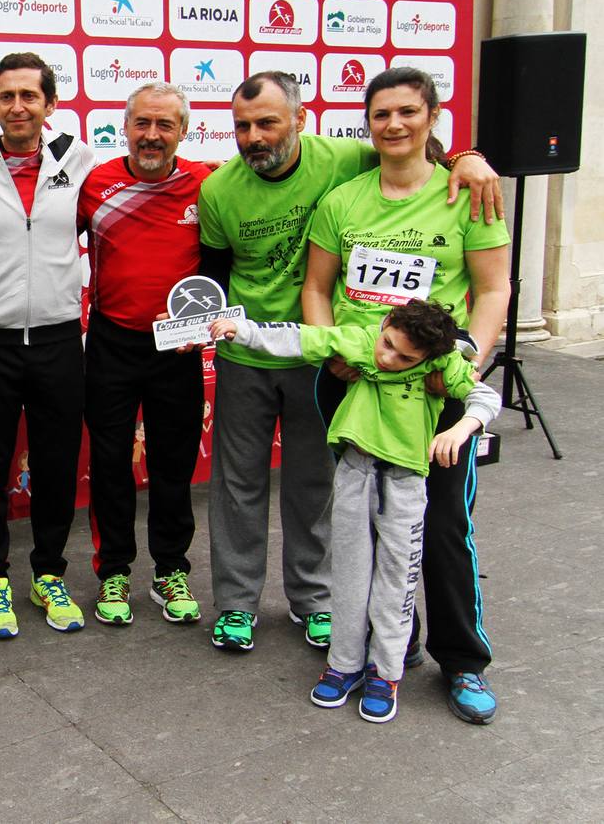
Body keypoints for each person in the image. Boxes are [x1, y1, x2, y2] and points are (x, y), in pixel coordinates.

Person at [196, 71, 503, 654]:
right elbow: (218, 274)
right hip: (266, 353)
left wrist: (472, 155)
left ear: (301, 120)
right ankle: (237, 606)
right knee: (239, 485)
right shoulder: (221, 190)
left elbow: (416, 149)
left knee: (320, 485)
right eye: (243, 126)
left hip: (353, 364)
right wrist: (201, 325)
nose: (255, 136)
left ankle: (315, 602)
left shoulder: (346, 159)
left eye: (268, 123)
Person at [301, 67, 511, 724]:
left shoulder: (465, 195)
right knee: (361, 530)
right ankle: (377, 651)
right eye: (380, 114)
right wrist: (333, 348)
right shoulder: (343, 200)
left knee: (442, 526)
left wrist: (465, 361)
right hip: (353, 387)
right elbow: (315, 289)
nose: (392, 124)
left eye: (406, 112)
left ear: (432, 116)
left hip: (432, 394)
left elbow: (494, 290)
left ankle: (463, 661)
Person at [210, 300, 500, 723]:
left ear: (428, 358)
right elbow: (305, 338)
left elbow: (484, 395)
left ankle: (385, 673)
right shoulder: (363, 341)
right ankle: (344, 663)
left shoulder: (444, 364)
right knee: (347, 575)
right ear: (384, 325)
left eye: (406, 358)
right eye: (388, 345)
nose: (389, 359)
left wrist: (459, 429)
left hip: (404, 484)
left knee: (395, 581)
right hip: (354, 473)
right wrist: (244, 330)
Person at [0, 52, 95, 638]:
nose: (17, 106)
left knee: (58, 464)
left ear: (50, 105)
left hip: (59, 336)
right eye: (6, 96)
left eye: (29, 96)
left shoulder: (79, 161)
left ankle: (49, 573)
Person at [76, 82, 211, 626]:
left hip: (175, 347)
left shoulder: (209, 182)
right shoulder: (96, 183)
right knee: (109, 465)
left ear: (184, 131)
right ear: (125, 126)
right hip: (111, 340)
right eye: (142, 124)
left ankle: (170, 570)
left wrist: (463, 156)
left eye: (165, 126)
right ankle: (113, 571)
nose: (152, 136)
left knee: (173, 465)